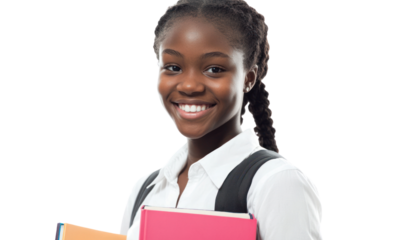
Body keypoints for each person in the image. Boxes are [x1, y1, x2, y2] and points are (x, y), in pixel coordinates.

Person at [119, 0, 323, 239]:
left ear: (248, 78)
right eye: (173, 67)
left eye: (214, 69)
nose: (189, 85)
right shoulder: (144, 188)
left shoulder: (276, 183)